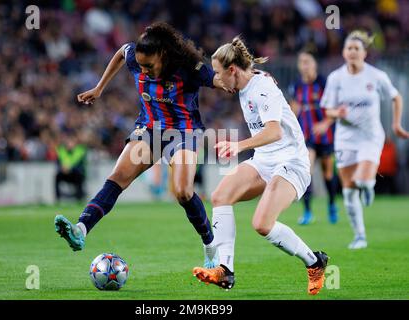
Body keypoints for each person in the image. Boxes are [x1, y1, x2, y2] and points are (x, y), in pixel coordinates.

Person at [54, 22, 230, 268]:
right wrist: (99, 88)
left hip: (183, 132)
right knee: (118, 177)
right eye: (140, 65)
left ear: (163, 55)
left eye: (149, 66)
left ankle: (210, 246)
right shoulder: (134, 57)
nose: (143, 70)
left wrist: (238, 82)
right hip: (149, 129)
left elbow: (218, 81)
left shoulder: (189, 68)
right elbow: (120, 53)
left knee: (182, 192)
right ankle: (81, 229)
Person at [192, 37, 328, 295]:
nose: (218, 82)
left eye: (220, 75)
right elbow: (253, 72)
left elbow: (275, 132)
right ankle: (225, 270)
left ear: (232, 70)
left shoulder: (262, 88)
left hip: (291, 161)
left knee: (262, 224)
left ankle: (315, 261)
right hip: (265, 160)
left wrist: (239, 146)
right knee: (220, 196)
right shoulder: (247, 83)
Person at [318, 30, 409, 249]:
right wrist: (335, 114)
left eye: (356, 48)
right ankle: (360, 236)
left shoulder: (376, 76)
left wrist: (396, 125)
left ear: (364, 53)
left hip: (370, 137)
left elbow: (397, 97)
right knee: (348, 191)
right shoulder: (336, 78)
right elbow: (326, 109)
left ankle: (369, 186)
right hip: (345, 139)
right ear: (343, 52)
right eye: (348, 48)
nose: (352, 52)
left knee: (363, 181)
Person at [289, 49, 338, 225]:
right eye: (301, 62)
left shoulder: (324, 83)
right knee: (306, 170)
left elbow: (334, 107)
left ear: (314, 64)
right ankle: (308, 212)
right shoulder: (296, 86)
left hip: (326, 136)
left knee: (327, 172)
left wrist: (325, 123)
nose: (304, 65)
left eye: (307, 61)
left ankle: (332, 203)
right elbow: (294, 110)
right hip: (306, 136)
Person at [55, 132, 87, 201]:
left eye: (72, 141)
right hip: (65, 173)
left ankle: (79, 198)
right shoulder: (61, 150)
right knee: (57, 176)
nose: (70, 144)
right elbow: (58, 163)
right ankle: (58, 198)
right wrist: (62, 168)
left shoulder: (80, 150)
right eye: (68, 141)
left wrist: (70, 168)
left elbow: (81, 166)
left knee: (79, 175)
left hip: (76, 173)